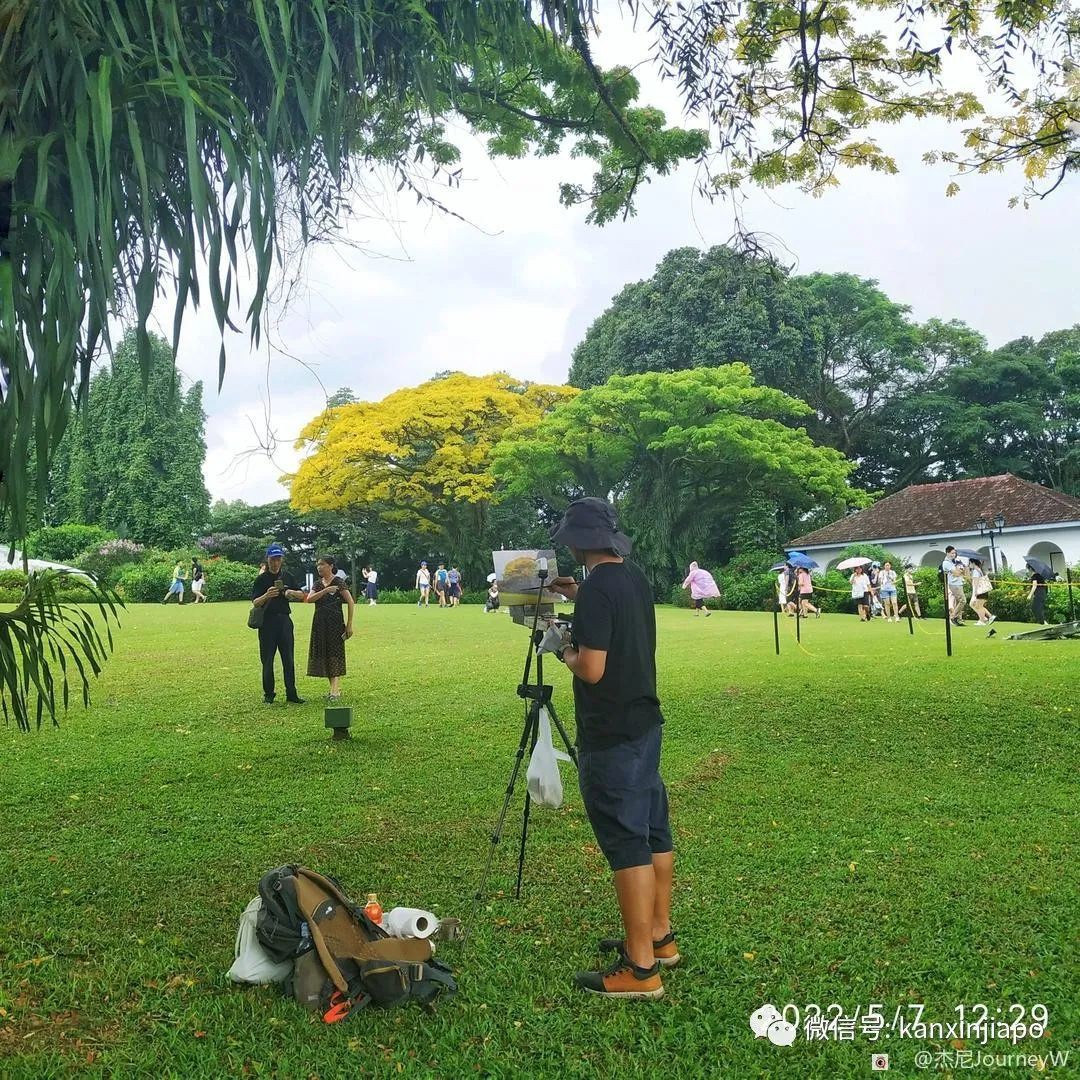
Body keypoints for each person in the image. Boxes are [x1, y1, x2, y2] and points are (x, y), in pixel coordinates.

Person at [548, 497, 672, 1001]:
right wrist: (580, 595)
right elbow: (614, 617)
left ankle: (641, 969)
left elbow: (591, 668)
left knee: (626, 843)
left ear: (578, 543)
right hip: (644, 721)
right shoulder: (629, 577)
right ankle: (659, 938)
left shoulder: (599, 589)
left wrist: (561, 646)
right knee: (652, 829)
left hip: (611, 732)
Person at [251, 543, 307, 704]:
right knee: (267, 659)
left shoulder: (287, 576)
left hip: (284, 621)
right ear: (267, 560)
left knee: (288, 658)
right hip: (267, 622)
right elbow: (255, 602)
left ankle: (292, 693)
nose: (275, 562)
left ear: (281, 560)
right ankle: (269, 694)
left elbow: (301, 595)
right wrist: (267, 595)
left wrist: (290, 593)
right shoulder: (261, 579)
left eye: (278, 559)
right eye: (272, 559)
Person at [306, 556, 355, 701]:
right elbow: (309, 599)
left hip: (335, 623)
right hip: (319, 623)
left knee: (334, 654)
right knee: (325, 654)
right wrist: (326, 591)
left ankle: (334, 691)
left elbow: (350, 601)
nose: (319, 567)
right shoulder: (317, 584)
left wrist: (349, 624)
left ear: (331, 566)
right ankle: (334, 689)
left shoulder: (339, 582)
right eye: (317, 565)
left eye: (322, 564)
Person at [941, 546, 968, 626]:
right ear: (947, 553)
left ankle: (958, 619)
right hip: (954, 584)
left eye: (954, 553)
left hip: (959, 583)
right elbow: (956, 573)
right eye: (952, 553)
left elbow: (963, 570)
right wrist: (960, 570)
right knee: (963, 600)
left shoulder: (954, 561)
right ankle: (953, 617)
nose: (954, 554)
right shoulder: (946, 563)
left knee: (958, 602)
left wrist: (960, 570)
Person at [968, 558, 996, 626]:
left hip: (980, 591)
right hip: (983, 591)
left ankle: (982, 620)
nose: (969, 565)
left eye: (969, 563)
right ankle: (988, 617)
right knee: (979, 606)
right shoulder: (979, 570)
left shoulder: (976, 571)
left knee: (978, 606)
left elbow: (976, 582)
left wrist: (975, 592)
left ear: (973, 563)